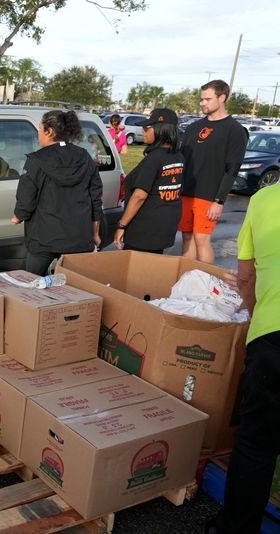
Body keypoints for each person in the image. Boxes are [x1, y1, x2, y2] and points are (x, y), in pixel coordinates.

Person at [205, 184, 280, 534]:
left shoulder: (265, 199)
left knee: (256, 444)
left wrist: (256, 316)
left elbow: (246, 277)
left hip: (272, 336)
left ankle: (235, 528)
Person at [11, 110, 103, 276]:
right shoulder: (84, 157)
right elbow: (96, 198)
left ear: (49, 131)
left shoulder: (36, 160)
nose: (38, 134)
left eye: (40, 129)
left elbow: (26, 197)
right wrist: (95, 233)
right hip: (79, 237)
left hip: (43, 237)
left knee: (34, 282)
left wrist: (18, 216)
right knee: (74, 285)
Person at [179, 79, 248, 264]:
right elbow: (182, 160)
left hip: (208, 196)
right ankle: (186, 278)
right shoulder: (193, 128)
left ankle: (205, 279)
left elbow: (232, 169)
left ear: (222, 98)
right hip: (186, 193)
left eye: (208, 99)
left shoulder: (235, 130)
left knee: (201, 239)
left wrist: (219, 200)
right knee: (186, 237)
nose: (203, 103)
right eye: (202, 99)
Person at [113, 108, 184, 254]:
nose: (143, 131)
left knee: (136, 266)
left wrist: (122, 225)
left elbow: (139, 196)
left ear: (161, 130)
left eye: (147, 127)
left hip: (145, 227)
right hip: (165, 225)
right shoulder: (178, 156)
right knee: (152, 265)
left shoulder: (154, 158)